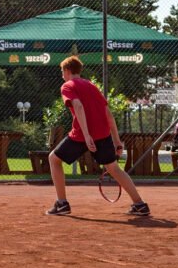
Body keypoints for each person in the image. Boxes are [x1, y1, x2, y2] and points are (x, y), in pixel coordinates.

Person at [46, 56, 150, 217]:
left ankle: (62, 204)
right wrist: (116, 141)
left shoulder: (67, 86)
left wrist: (87, 136)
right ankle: (140, 204)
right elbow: (108, 114)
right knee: (114, 168)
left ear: (67, 71)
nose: (62, 75)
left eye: (62, 72)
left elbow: (78, 106)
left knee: (54, 159)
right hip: (103, 135)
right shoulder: (92, 86)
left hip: (81, 135)